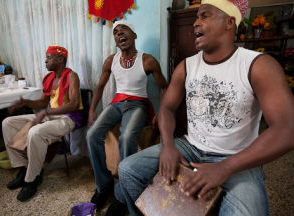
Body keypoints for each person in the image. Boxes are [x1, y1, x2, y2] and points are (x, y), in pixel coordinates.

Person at [117, 0, 294, 215]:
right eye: (196, 18)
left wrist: (225, 167)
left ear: (229, 23)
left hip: (237, 157)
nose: (195, 23)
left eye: (205, 16)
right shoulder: (186, 66)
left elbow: (287, 129)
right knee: (127, 170)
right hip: (191, 147)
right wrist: (168, 145)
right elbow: (167, 108)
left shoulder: (258, 65)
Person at [86, 21, 168, 215]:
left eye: (124, 30)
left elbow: (164, 87)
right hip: (116, 104)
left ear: (134, 35)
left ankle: (122, 194)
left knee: (127, 135)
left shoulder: (147, 60)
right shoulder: (111, 60)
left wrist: (161, 112)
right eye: (115, 32)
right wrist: (92, 110)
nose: (119, 33)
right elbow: (100, 87)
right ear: (115, 40)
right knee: (92, 135)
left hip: (138, 104)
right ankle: (104, 186)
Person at [2, 45, 84, 202]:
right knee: (8, 123)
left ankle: (33, 179)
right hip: (51, 116)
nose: (45, 61)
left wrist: (45, 113)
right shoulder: (48, 78)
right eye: (46, 57)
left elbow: (74, 104)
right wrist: (25, 102)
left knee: (35, 131)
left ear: (60, 59)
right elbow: (42, 102)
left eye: (49, 57)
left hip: (68, 118)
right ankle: (24, 168)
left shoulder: (71, 76)